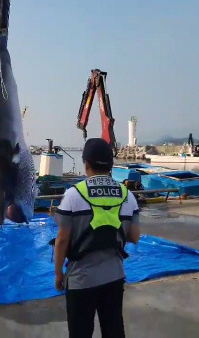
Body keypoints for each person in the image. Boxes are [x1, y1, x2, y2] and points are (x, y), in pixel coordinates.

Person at [53, 138, 140, 338]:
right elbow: (134, 237)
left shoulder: (73, 195)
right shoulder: (127, 195)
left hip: (81, 280)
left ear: (86, 163)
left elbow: (62, 240)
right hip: (114, 276)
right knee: (114, 330)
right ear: (111, 165)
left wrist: (58, 274)